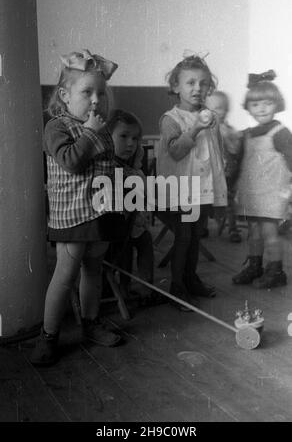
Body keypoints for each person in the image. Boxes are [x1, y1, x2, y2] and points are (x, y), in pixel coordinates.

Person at [30, 49, 123, 366]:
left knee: (94, 271)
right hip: (71, 216)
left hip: (101, 213)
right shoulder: (57, 127)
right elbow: (70, 161)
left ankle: (91, 323)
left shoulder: (100, 126)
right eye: (87, 92)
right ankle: (49, 336)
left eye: (101, 93)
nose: (96, 99)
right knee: (64, 276)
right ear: (64, 95)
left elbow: (108, 166)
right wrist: (90, 133)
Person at [157, 53, 227, 311]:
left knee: (196, 236)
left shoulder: (211, 116)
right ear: (176, 86)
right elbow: (176, 151)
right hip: (180, 190)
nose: (198, 88)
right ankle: (177, 285)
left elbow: (215, 152)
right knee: (184, 237)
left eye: (203, 83)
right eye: (190, 83)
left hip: (201, 189)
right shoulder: (170, 119)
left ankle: (191, 278)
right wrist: (196, 128)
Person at [232, 70, 292, 288]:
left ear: (277, 104)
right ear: (248, 107)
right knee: (254, 233)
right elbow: (240, 164)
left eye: (268, 103)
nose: (262, 109)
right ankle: (254, 266)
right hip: (252, 193)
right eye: (256, 105)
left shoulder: (280, 132)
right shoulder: (247, 134)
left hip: (272, 193)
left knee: (269, 232)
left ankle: (276, 270)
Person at [106, 109, 162, 305]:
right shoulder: (107, 166)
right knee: (126, 247)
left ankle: (148, 287)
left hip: (135, 223)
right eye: (123, 136)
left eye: (135, 138)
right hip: (115, 228)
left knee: (145, 242)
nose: (131, 143)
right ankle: (123, 288)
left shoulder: (134, 167)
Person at [206, 91, 243, 242]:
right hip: (208, 173)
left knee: (228, 202)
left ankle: (232, 229)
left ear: (226, 110)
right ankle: (202, 226)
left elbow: (235, 151)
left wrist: (233, 139)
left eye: (220, 108)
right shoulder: (203, 130)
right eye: (211, 109)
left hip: (226, 173)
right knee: (204, 200)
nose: (215, 112)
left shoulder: (228, 130)